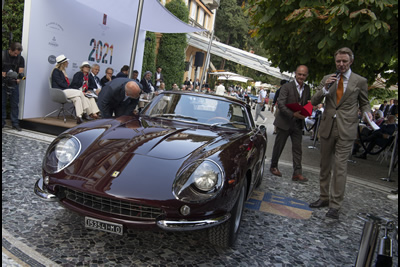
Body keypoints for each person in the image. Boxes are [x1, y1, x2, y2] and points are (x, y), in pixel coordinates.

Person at [309, 47, 372, 219]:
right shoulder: (327, 79)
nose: (341, 64)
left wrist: (368, 113)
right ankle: (323, 197)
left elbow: (365, 103)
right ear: (335, 62)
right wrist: (325, 88)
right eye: (338, 61)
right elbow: (314, 101)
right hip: (328, 126)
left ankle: (335, 205)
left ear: (351, 61)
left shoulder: (360, 81)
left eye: (344, 61)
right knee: (324, 165)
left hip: (347, 128)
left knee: (340, 168)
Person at [269, 65, 311, 182]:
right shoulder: (287, 87)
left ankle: (297, 173)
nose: (301, 77)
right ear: (295, 74)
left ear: (306, 76)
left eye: (304, 75)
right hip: (284, 122)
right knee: (279, 145)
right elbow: (281, 104)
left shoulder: (307, 89)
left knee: (298, 148)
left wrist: (308, 110)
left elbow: (307, 103)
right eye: (299, 74)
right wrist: (293, 114)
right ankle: (273, 166)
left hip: (298, 124)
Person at [51, 55, 97, 124]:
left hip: (65, 90)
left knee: (77, 98)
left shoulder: (62, 71)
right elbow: (61, 84)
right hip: (61, 91)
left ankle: (79, 117)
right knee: (80, 93)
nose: (68, 63)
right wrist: (69, 87)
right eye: (67, 62)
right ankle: (86, 112)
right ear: (63, 63)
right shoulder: (56, 71)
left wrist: (69, 87)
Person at [2, 42, 25, 131]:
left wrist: (18, 79)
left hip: (13, 83)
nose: (16, 55)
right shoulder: (3, 55)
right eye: (15, 53)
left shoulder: (20, 58)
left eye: (18, 54)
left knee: (15, 104)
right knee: (2, 103)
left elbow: (21, 72)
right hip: (3, 83)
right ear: (10, 50)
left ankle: (15, 123)